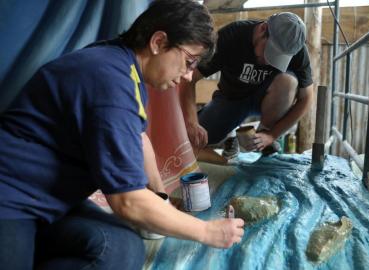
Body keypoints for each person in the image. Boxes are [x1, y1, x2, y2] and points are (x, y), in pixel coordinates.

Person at [0, 1, 244, 269]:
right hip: (12, 198)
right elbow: (128, 202)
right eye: (189, 62)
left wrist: (161, 197)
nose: (188, 76)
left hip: (53, 199)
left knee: (121, 248)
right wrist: (208, 232)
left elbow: (139, 140)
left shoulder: (121, 65)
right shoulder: (110, 81)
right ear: (159, 42)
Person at [179, 12, 314, 159]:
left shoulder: (296, 50)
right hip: (231, 99)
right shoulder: (232, 35)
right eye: (270, 52)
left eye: (278, 58)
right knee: (197, 138)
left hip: (267, 99)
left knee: (289, 82)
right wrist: (191, 122)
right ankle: (230, 135)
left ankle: (265, 137)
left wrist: (271, 135)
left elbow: (306, 98)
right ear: (263, 29)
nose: (270, 62)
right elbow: (189, 78)